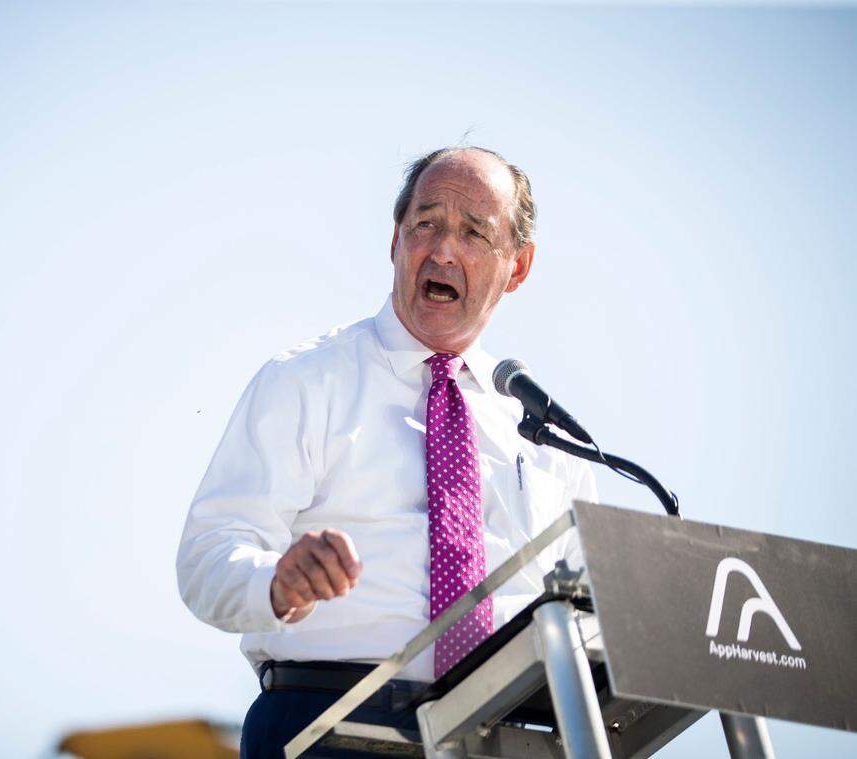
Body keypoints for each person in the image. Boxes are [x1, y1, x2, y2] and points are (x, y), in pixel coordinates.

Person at [176, 146, 598, 757]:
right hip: (329, 725)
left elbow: (592, 608)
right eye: (426, 223)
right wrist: (277, 583)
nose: (444, 250)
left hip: (512, 731)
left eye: (474, 232)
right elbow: (207, 557)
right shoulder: (305, 381)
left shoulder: (546, 431)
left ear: (518, 266)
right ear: (396, 240)